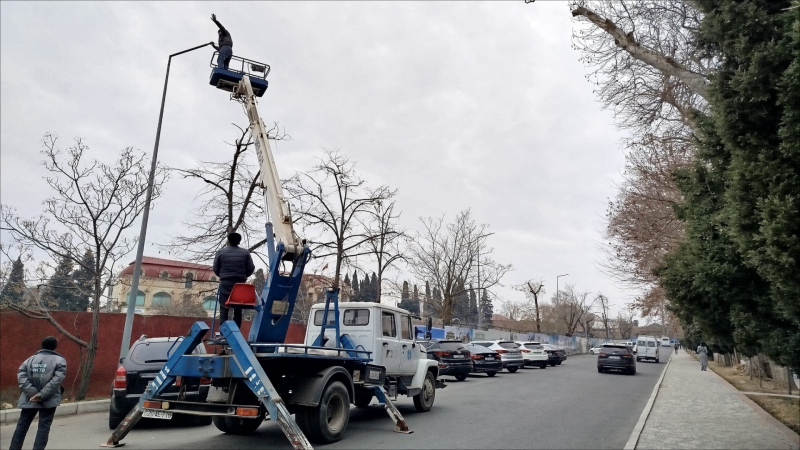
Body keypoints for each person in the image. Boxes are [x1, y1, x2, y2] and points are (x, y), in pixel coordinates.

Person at [10, 336, 67, 450]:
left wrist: (33, 394)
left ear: (42, 345)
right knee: (43, 427)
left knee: (22, 426)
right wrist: (41, 395)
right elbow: (56, 381)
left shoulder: (29, 360)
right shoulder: (60, 361)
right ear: (55, 347)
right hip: (49, 400)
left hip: (28, 398)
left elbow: (21, 377)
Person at [213, 232, 255, 329]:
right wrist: (244, 276)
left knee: (224, 309)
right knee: (238, 309)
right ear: (239, 241)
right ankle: (236, 333)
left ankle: (224, 332)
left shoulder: (220, 252)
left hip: (225, 284)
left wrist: (223, 275)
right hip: (240, 285)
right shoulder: (245, 253)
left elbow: (215, 268)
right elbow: (251, 268)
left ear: (228, 240)